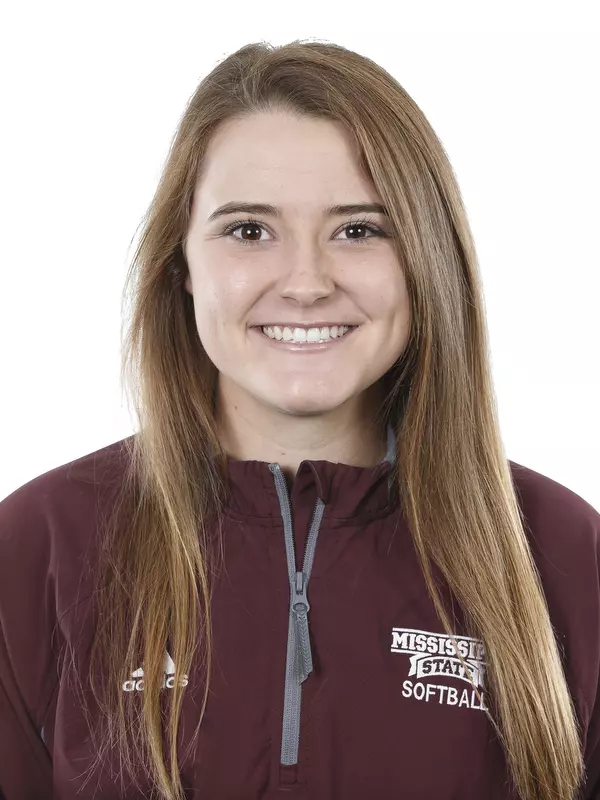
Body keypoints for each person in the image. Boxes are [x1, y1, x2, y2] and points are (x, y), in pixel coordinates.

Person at [0, 39, 598, 800]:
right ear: (181, 263)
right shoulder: (35, 551)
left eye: (359, 230)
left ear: (427, 260)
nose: (307, 283)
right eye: (249, 230)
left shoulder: (564, 555)